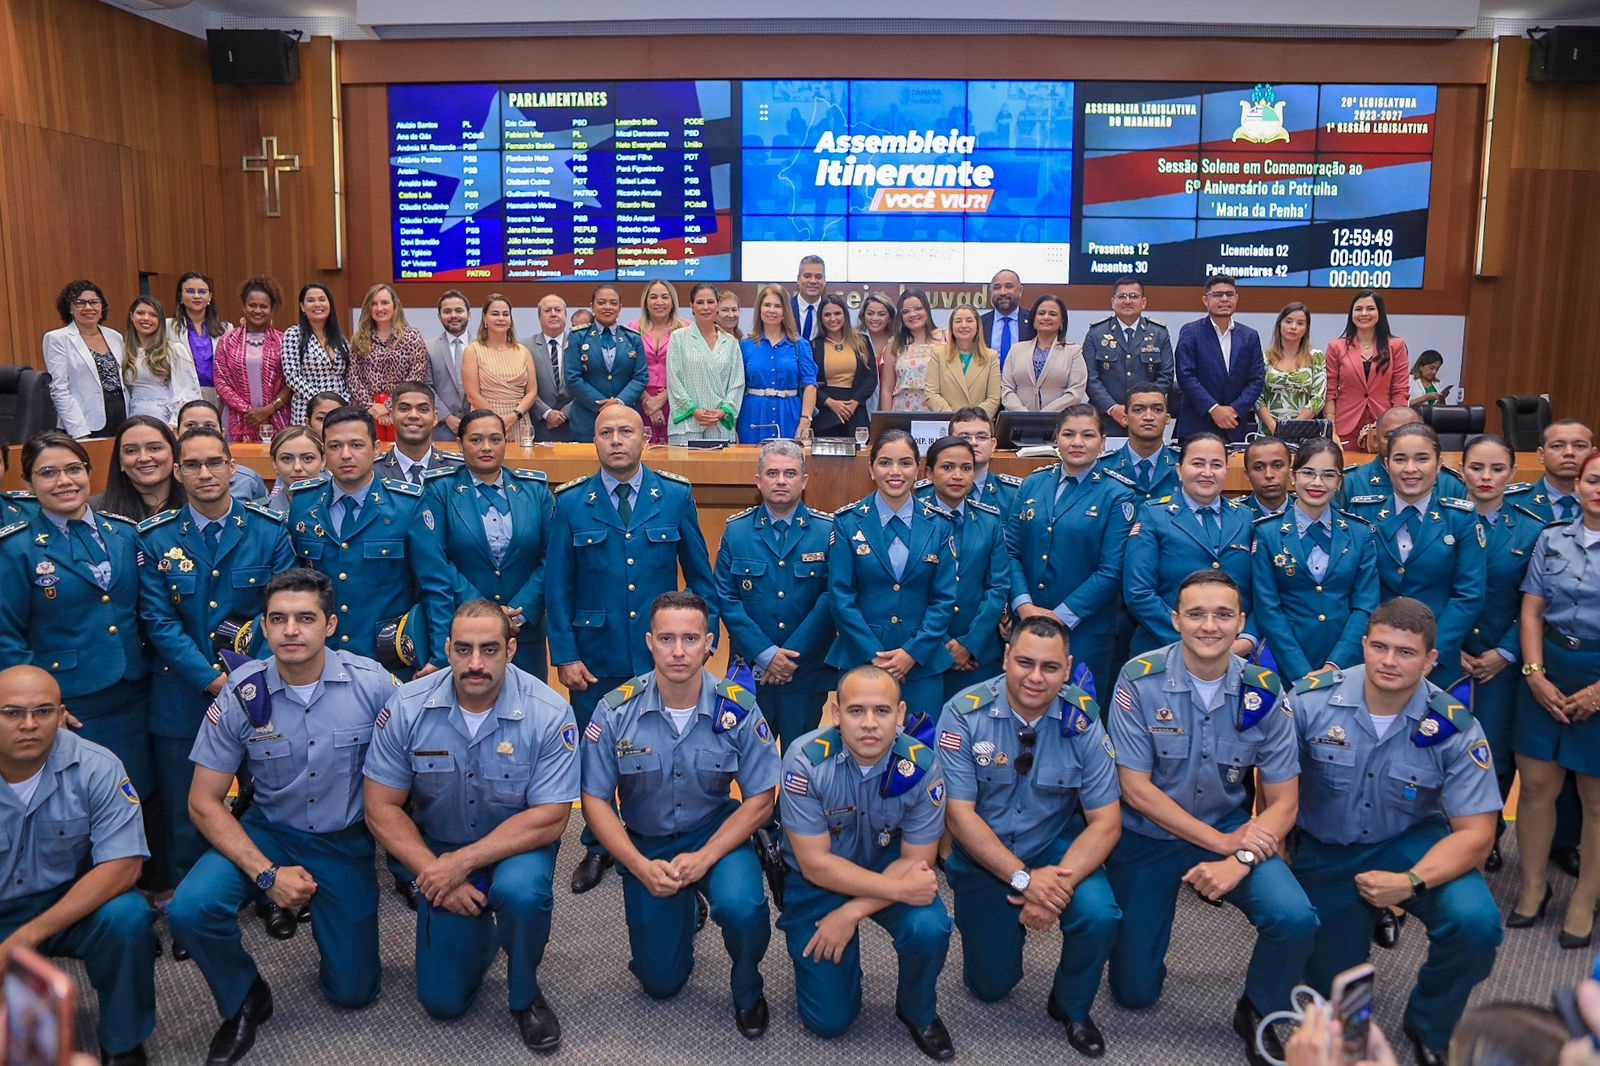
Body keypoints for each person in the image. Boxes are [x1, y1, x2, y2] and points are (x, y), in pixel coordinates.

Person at [167, 569, 392, 1065]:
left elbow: (409, 775)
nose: (292, 630)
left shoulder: (372, 684)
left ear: (330, 624)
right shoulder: (241, 695)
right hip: (269, 832)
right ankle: (245, 995)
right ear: (264, 629)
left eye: (306, 618)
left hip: (344, 841)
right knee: (189, 910)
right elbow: (203, 801)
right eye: (279, 619)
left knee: (354, 993)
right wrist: (265, 874)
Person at [1107, 572, 1317, 1066]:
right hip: (1147, 837)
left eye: (1223, 615)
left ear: (1241, 622)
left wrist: (1241, 854)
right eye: (1196, 614)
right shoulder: (1138, 678)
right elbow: (1136, 790)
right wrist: (1222, 846)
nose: (1209, 626)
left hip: (1229, 829)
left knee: (1294, 917)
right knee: (1133, 993)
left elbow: (1285, 800)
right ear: (1175, 620)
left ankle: (1262, 1009)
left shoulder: (1264, 688)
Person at [1287, 598, 1502, 1066]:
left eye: (1405, 652)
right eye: (1379, 647)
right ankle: (1363, 923)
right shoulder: (1310, 701)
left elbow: (1477, 834)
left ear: (1430, 661)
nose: (1388, 661)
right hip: (1327, 849)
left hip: (1410, 843)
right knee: (1334, 994)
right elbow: (1274, 786)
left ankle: (1430, 1023)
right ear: (1363, 646)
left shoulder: (1454, 725)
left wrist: (1410, 883)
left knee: (1476, 923)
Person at [362, 600, 580, 1052]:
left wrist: (458, 865)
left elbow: (552, 817)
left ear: (512, 649)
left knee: (522, 894)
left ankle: (524, 994)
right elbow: (380, 807)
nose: (475, 663)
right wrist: (434, 868)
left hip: (518, 845)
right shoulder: (407, 706)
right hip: (440, 844)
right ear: (447, 648)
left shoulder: (549, 711)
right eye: (463, 650)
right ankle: (480, 929)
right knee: (442, 1003)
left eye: (489, 649)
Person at [580, 591, 780, 1038]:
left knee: (743, 908)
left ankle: (748, 985)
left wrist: (705, 857)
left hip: (715, 832)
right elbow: (594, 800)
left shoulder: (738, 707)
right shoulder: (616, 709)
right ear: (649, 641)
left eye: (691, 639)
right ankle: (686, 908)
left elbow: (761, 799)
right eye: (667, 638)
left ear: (710, 643)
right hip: (647, 842)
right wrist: (636, 864)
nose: (678, 651)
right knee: (660, 984)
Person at [546, 403, 717, 893]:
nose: (616, 440)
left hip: (664, 660)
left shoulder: (675, 496)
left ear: (645, 439)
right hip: (594, 658)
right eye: (606, 432)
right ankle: (600, 847)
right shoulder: (573, 502)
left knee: (668, 756)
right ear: (594, 441)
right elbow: (558, 585)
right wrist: (565, 653)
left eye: (626, 431)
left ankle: (665, 839)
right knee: (597, 757)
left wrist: (706, 643)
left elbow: (701, 578)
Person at [938, 616, 1122, 1059]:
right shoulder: (964, 712)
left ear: (1068, 666)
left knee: (1100, 915)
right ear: (1005, 657)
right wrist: (1025, 881)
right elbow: (960, 817)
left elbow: (1105, 821)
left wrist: (1052, 887)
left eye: (1050, 667)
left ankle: (1072, 1005)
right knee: (989, 987)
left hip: (1056, 846)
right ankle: (1003, 938)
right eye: (1024, 662)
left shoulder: (1083, 718)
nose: (1036, 677)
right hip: (986, 856)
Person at [135, 426, 294, 879]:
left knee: (267, 796)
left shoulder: (268, 531)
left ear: (232, 467)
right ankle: (192, 899)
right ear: (179, 473)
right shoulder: (156, 537)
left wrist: (244, 676)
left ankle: (271, 888)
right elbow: (159, 623)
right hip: (182, 694)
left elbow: (280, 611)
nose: (205, 473)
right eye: (193, 465)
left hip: (260, 688)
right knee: (188, 803)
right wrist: (211, 679)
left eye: (213, 463)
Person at [777, 665, 954, 1059]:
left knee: (930, 927)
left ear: (901, 714)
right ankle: (841, 978)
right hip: (819, 883)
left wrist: (851, 913)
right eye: (856, 711)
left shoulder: (922, 766)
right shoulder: (805, 762)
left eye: (882, 711)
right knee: (830, 1022)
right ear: (836, 714)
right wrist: (889, 893)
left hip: (887, 864)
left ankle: (917, 1009)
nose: (869, 724)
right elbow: (816, 865)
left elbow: (916, 864)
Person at [0, 665, 156, 1066]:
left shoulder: (97, 766)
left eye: (43, 711)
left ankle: (123, 1044)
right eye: (12, 712)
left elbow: (124, 865)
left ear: (63, 714)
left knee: (128, 916)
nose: (29, 725)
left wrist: (27, 936)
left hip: (67, 903)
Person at [0, 433, 153, 802]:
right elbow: (6, 637)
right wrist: (42, 707)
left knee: (142, 798)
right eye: (49, 472)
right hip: (72, 704)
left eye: (73, 469)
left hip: (137, 692)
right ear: (28, 482)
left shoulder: (125, 533)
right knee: (82, 806)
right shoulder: (15, 548)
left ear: (89, 472)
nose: (64, 481)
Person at [283, 406, 453, 680]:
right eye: (335, 446)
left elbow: (435, 585)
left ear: (376, 450)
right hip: (318, 657)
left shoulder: (407, 505)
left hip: (388, 660)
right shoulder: (303, 503)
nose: (346, 454)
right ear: (324, 452)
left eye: (356, 445)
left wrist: (440, 656)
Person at [1512, 449, 1600, 947]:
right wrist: (1534, 673)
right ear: (1580, 485)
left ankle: (1585, 897)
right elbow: (1532, 612)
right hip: (1547, 667)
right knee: (1539, 783)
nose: (1598, 489)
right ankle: (1533, 887)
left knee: (1595, 799)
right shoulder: (1551, 538)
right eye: (1593, 480)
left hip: (1598, 673)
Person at [1008, 405, 1139, 696]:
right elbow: (1012, 553)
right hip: (1027, 625)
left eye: (1088, 435)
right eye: (1068, 434)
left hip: (1085, 632)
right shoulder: (1031, 485)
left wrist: (1059, 617)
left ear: (1103, 442)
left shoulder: (1118, 494)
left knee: (1078, 716)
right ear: (1056, 439)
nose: (1077, 442)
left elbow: (1111, 570)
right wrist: (1024, 606)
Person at [1459, 434, 1546, 873]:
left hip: (1502, 662)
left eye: (1497, 469)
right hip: (1449, 659)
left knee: (1493, 755)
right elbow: (1430, 589)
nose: (1487, 477)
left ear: (1513, 474)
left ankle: (1488, 836)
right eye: (1477, 468)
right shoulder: (1444, 520)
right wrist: (1450, 644)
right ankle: (1442, 836)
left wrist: (1506, 652)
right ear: (1461, 471)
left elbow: (1533, 602)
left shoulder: (1532, 530)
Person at [715, 440, 837, 748]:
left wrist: (788, 657)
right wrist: (766, 655)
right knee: (751, 763)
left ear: (804, 480)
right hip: (751, 671)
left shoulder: (827, 531)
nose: (781, 481)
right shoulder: (736, 531)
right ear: (758, 480)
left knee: (802, 764)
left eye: (790, 473)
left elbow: (831, 597)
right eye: (772, 473)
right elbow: (726, 598)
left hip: (805, 672)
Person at [827, 430, 957, 718]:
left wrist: (912, 652)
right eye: (885, 463)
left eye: (905, 463)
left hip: (921, 663)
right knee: (861, 745)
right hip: (861, 659)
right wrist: (873, 654)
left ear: (919, 470)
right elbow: (840, 596)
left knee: (920, 751)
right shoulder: (847, 523)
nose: (895, 472)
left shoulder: (939, 524)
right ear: (871, 469)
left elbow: (944, 599)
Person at [1345, 423, 1487, 681]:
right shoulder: (1362, 514)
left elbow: (1469, 594)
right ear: (1387, 465)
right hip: (1372, 657)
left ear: (1439, 463)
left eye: (1422, 459)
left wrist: (1431, 651)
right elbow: (1352, 587)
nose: (1410, 469)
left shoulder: (1460, 518)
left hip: (1434, 663)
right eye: (1400, 459)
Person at [423, 408, 555, 682]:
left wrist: (519, 612)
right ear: (460, 444)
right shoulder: (440, 491)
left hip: (523, 630)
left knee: (528, 711)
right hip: (466, 632)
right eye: (476, 440)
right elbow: (436, 561)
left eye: (495, 439)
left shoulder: (535, 490)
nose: (486, 447)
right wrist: (486, 613)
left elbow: (552, 558)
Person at [1251, 438, 1381, 683]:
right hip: (1286, 663)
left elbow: (1366, 604)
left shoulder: (1360, 533)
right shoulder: (1267, 533)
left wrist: (1336, 664)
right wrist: (1301, 672)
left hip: (1346, 663)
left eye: (1329, 475)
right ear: (1293, 476)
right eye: (1308, 473)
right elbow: (1268, 607)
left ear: (1340, 481)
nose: (1317, 483)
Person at [1124, 432, 1257, 655]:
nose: (1207, 473)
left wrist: (1248, 638)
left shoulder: (1246, 518)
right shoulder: (1154, 515)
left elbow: (1262, 592)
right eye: (1197, 463)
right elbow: (1139, 592)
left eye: (1216, 465)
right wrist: (1193, 640)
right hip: (1165, 648)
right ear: (1179, 470)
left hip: (1234, 652)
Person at [915, 437, 1008, 699]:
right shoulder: (913, 520)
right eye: (947, 467)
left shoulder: (989, 520)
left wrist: (969, 643)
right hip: (926, 650)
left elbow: (998, 586)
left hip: (979, 654)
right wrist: (944, 644)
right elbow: (911, 590)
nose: (958, 475)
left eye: (966, 468)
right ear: (929, 473)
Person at [1174, 274, 1265, 444]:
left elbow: (1257, 380)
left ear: (1236, 298)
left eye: (1229, 294)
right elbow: (1186, 376)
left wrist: (1234, 410)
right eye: (1217, 295)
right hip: (1197, 425)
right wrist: (1214, 409)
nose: (1224, 299)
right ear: (1205, 300)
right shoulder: (1190, 332)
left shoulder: (1250, 336)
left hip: (1235, 425)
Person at [1083, 278, 1173, 432]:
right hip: (1106, 418)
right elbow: (1090, 377)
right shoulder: (1096, 333)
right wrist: (1112, 408)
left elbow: (1166, 376)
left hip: (1147, 419)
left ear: (1143, 302)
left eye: (1133, 296)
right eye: (1122, 296)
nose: (1127, 301)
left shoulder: (1159, 333)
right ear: (1113, 302)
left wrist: (1143, 408)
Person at [1325, 290, 1410, 453]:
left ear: (1380, 312)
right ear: (1351, 314)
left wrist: (1396, 427)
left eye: (1370, 308)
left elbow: (1400, 390)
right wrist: (1331, 430)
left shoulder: (1396, 346)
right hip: (1346, 425)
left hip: (1384, 424)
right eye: (1358, 309)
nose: (1364, 313)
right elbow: (1330, 393)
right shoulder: (1336, 347)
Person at [43, 279, 128, 439]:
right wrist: (79, 431)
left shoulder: (114, 336)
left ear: (102, 307)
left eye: (94, 302)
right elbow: (59, 389)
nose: (88, 307)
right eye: (80, 303)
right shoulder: (58, 338)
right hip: (85, 421)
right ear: (70, 308)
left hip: (121, 415)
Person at [565, 284, 649, 443]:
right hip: (587, 421)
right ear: (592, 306)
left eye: (613, 303)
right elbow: (573, 378)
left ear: (620, 308)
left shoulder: (633, 338)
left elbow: (641, 377)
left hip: (626, 419)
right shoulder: (578, 336)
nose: (607, 307)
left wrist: (618, 403)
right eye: (601, 302)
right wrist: (603, 405)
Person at [213, 276, 291, 444]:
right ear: (244, 307)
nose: (257, 310)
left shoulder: (284, 341)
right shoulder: (227, 341)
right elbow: (221, 382)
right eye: (252, 305)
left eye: (264, 306)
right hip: (238, 417)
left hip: (276, 418)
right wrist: (250, 411)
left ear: (272, 309)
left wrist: (269, 410)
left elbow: (290, 381)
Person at [1338, 406, 1466, 507]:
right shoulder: (1351, 483)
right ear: (1376, 440)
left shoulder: (1451, 484)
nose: (1401, 441)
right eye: (1390, 436)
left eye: (1411, 433)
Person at [666, 282, 744, 444]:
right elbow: (674, 380)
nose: (705, 307)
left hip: (719, 424)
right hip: (687, 424)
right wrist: (694, 410)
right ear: (691, 306)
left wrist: (722, 411)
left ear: (717, 305)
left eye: (710, 302)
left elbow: (737, 383)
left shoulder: (730, 342)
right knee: (682, 470)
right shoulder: (678, 338)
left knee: (719, 469)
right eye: (700, 302)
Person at [738, 284, 818, 443]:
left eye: (777, 306)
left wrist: (805, 419)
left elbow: (810, 384)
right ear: (759, 310)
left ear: (785, 311)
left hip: (789, 414)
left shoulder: (799, 345)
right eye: (767, 305)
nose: (772, 310)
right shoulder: (745, 345)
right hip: (754, 414)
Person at [346, 283, 429, 433]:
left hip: (403, 408)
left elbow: (417, 375)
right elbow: (353, 376)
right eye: (374, 304)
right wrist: (373, 408)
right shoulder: (358, 338)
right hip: (368, 412)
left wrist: (389, 406)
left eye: (384, 303)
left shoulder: (412, 337)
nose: (379, 308)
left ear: (395, 306)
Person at [463, 293, 539, 444]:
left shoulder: (523, 351)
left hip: (519, 421)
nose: (501, 318)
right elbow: (472, 395)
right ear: (485, 318)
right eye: (495, 314)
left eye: (506, 314)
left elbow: (532, 392)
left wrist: (513, 416)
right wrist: (497, 421)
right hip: (484, 421)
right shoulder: (473, 350)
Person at [1000, 293, 1087, 413]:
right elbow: (1007, 389)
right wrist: (1024, 415)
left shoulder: (1073, 352)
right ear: (1034, 320)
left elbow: (1075, 392)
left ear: (1062, 321)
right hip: (1020, 423)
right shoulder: (1016, 350)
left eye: (1053, 314)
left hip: (1058, 422)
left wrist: (1044, 416)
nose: (1046, 317)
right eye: (1041, 313)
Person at [1094, 383, 1181, 502]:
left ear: (1167, 418)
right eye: (1138, 410)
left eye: (1157, 410)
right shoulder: (1102, 467)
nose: (1148, 417)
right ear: (1125, 418)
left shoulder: (1184, 464)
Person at [278, 283, 349, 427]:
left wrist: (342, 401)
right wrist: (320, 401)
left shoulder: (340, 338)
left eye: (322, 299)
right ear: (302, 307)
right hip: (307, 407)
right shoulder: (294, 334)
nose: (317, 304)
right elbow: (292, 376)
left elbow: (347, 375)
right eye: (311, 300)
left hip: (340, 409)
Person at [121, 295, 200, 424]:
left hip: (164, 419)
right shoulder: (124, 350)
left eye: (153, 315)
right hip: (133, 417)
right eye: (140, 313)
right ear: (131, 316)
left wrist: (176, 423)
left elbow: (188, 391)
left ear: (160, 321)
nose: (146, 318)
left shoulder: (174, 350)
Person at [93, 416, 184, 521]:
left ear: (174, 453)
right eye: (131, 451)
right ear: (120, 461)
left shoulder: (198, 506)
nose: (144, 458)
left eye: (154, 448)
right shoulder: (96, 513)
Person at [178, 400, 269, 504]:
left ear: (222, 432)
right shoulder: (166, 478)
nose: (200, 431)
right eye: (191, 426)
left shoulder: (249, 480)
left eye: (209, 426)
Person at [371, 381, 463, 483]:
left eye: (423, 409)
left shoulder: (459, 469)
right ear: (391, 416)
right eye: (404, 409)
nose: (413, 415)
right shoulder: (372, 471)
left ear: (435, 418)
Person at [810, 294, 875, 439]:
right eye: (827, 315)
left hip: (856, 413)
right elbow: (809, 382)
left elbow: (871, 378)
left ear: (845, 314)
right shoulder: (813, 346)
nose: (833, 319)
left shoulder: (862, 341)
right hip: (825, 415)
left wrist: (854, 403)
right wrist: (830, 402)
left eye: (837, 313)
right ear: (820, 318)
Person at [1256, 302, 1327, 434]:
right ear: (1279, 324)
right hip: (1268, 432)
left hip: (1303, 432)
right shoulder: (1263, 357)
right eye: (1288, 321)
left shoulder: (1316, 357)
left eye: (1300, 323)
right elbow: (1257, 397)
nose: (1293, 327)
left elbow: (1318, 398)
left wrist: (1292, 429)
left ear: (1306, 329)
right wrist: (1274, 427)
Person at [1510, 419, 1594, 523]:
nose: (1569, 452)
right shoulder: (1510, 502)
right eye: (1557, 446)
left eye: (1580, 446)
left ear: (1592, 454)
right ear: (1541, 455)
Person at [631, 279, 684, 444]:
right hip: (640, 400)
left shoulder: (685, 330)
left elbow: (688, 371)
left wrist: (663, 398)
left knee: (674, 455)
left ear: (673, 302)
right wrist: (649, 403)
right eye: (653, 297)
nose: (659, 302)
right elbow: (627, 369)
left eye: (665, 297)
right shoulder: (633, 329)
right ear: (646, 302)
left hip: (677, 401)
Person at [925, 306, 1001, 417]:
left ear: (978, 326)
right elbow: (931, 393)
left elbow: (994, 398)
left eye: (969, 321)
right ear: (951, 326)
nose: (964, 325)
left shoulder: (991, 356)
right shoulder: (938, 354)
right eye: (958, 321)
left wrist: (974, 419)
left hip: (979, 425)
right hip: (948, 423)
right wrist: (954, 419)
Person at [169, 271, 232, 402]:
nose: (196, 296)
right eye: (190, 291)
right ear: (180, 296)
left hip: (219, 396)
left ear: (209, 297)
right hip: (183, 396)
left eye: (202, 292)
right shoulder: (167, 327)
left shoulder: (226, 329)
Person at [948, 407, 1021, 513]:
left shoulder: (1014, 493)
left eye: (981, 437)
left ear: (993, 445)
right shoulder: (929, 492)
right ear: (948, 443)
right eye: (965, 437)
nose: (973, 442)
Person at [885, 289, 942, 414]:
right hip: (902, 412)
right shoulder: (894, 344)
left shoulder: (945, 338)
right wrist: (886, 421)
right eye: (906, 311)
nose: (912, 314)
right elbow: (887, 390)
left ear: (927, 310)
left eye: (918, 308)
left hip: (937, 411)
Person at [425, 290, 472, 441]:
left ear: (469, 315)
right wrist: (447, 417)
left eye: (459, 310)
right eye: (447, 311)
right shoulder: (428, 347)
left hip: (477, 427)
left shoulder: (482, 347)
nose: (453, 315)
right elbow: (427, 386)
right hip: (441, 428)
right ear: (439, 317)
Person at [529, 294, 575, 442]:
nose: (553, 314)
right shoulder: (525, 347)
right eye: (547, 310)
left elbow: (588, 382)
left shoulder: (580, 344)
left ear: (565, 315)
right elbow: (522, 387)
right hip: (539, 426)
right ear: (539, 317)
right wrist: (547, 413)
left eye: (558, 310)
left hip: (574, 425)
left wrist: (565, 413)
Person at [264, 426, 323, 514]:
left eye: (308, 458)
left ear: (323, 460)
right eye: (287, 459)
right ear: (274, 463)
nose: (297, 467)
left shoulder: (344, 505)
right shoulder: (263, 513)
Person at [981, 269, 1033, 366]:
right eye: (997, 287)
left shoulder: (1033, 322)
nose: (1003, 292)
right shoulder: (979, 323)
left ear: (1020, 291)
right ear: (991, 292)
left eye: (1009, 287)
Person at [858, 291, 898, 410]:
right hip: (861, 406)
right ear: (863, 316)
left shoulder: (898, 341)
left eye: (881, 314)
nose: (875, 318)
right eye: (870, 313)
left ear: (890, 318)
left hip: (893, 405)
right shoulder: (854, 340)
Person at [1242, 435, 1293, 518]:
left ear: (1290, 471)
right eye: (1259, 467)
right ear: (1247, 475)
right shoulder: (1234, 516)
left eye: (1277, 466)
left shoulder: (1307, 511)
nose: (1269, 475)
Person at [791, 254, 827, 345]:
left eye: (818, 277)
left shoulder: (830, 311)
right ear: (798, 279)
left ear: (825, 281)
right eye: (807, 276)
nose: (813, 281)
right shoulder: (785, 309)